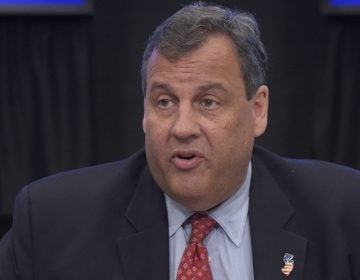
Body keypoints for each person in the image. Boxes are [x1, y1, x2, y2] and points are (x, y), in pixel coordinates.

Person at [1, 2, 360, 279]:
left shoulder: (343, 214)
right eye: (165, 101)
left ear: (258, 110)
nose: (182, 127)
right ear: (144, 112)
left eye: (208, 102)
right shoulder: (52, 225)